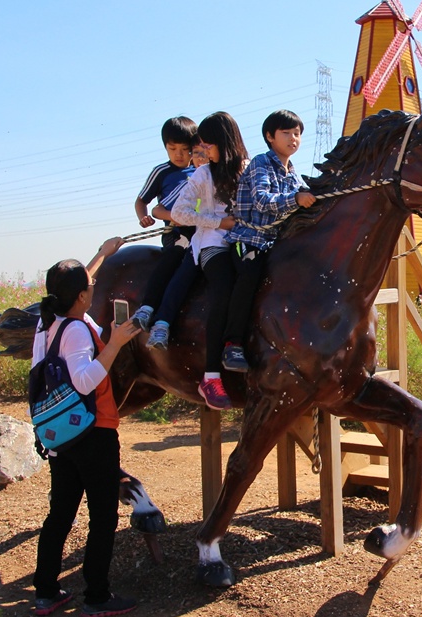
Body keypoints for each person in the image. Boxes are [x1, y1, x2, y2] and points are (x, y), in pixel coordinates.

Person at [32, 237, 141, 617]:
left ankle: (46, 592)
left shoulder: (47, 323)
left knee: (60, 513)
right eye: (90, 287)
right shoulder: (78, 331)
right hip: (93, 431)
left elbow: (77, 282)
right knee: (102, 516)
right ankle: (96, 596)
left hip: (60, 434)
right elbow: (83, 381)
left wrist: (101, 254)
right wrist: (115, 344)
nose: (94, 286)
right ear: (80, 297)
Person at [148, 111, 249, 410]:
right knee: (224, 287)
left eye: (207, 143)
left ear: (225, 141)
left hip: (243, 241)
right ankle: (211, 376)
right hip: (212, 243)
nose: (202, 149)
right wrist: (218, 222)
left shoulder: (248, 169)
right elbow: (180, 213)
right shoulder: (203, 174)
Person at [221, 109, 316, 370]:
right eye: (286, 133)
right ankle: (232, 344)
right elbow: (263, 201)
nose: (293, 138)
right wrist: (296, 199)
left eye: (297, 133)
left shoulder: (294, 174)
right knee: (249, 276)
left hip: (276, 243)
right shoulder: (261, 163)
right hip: (248, 239)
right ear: (269, 136)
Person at [133, 117, 198, 330]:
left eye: (185, 149)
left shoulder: (201, 170)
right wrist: (143, 217)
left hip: (200, 231)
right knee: (174, 260)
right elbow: (141, 201)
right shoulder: (161, 172)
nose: (179, 154)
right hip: (175, 231)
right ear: (165, 147)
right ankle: (148, 308)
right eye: (173, 149)